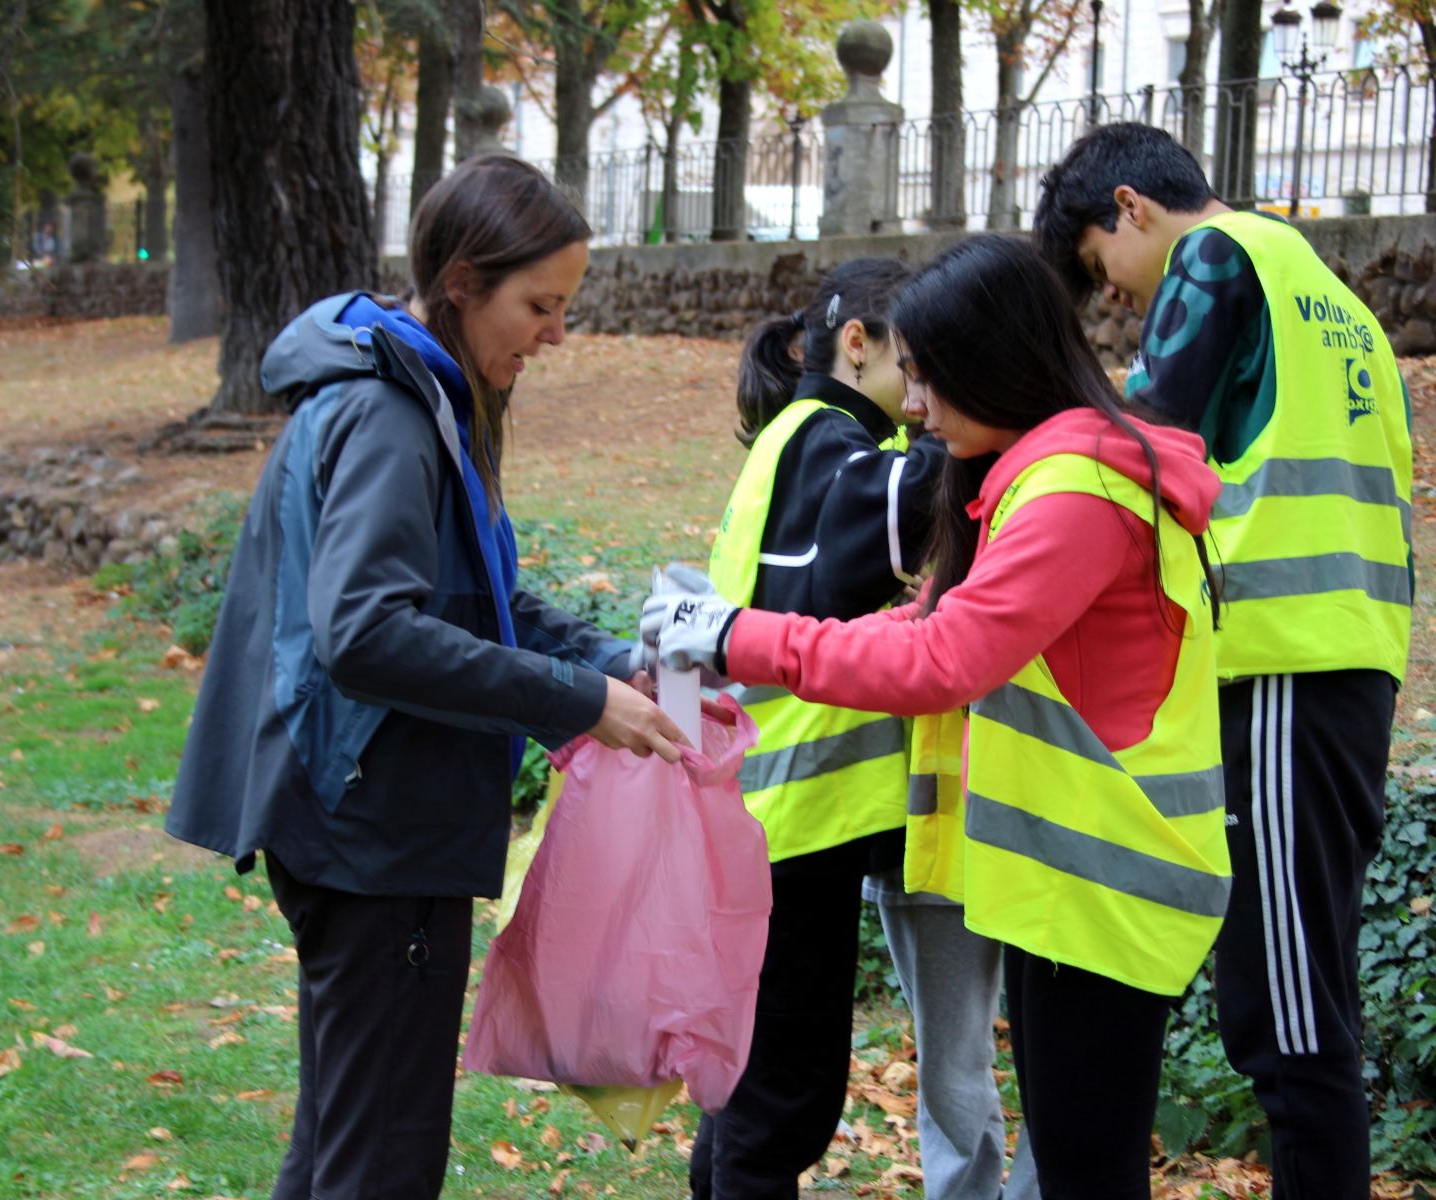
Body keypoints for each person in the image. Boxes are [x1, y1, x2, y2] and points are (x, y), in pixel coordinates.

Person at [648, 234, 1232, 1200]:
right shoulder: (1044, 474)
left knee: (1087, 1172)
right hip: (1072, 879)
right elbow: (930, 621)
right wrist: (733, 638)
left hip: (1107, 883)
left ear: (992, 364)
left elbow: (943, 658)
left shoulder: (1078, 490)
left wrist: (736, 635)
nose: (913, 406)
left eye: (926, 377)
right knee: (1077, 1163)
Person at [164, 155, 686, 1200]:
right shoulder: (389, 413)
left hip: (367, 822)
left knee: (343, 1140)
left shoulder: (421, 399)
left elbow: (472, 600)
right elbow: (366, 634)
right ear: (460, 283)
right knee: (383, 1159)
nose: (556, 334)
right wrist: (577, 702)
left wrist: (613, 664)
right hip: (372, 833)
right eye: (539, 305)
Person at [1033, 122, 1414, 1200]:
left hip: (1286, 664)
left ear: (1131, 207)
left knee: (1292, 1025)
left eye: (1102, 265)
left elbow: (1138, 440)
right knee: (1295, 1003)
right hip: (1340, 660)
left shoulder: (1216, 255)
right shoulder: (1326, 291)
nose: (1116, 298)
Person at [686, 258, 957, 1199]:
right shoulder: (826, 443)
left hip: (768, 813)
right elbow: (903, 510)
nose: (921, 394)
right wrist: (996, 417)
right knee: (783, 1103)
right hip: (795, 821)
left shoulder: (791, 438)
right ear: (857, 344)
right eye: (914, 363)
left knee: (752, 1092)